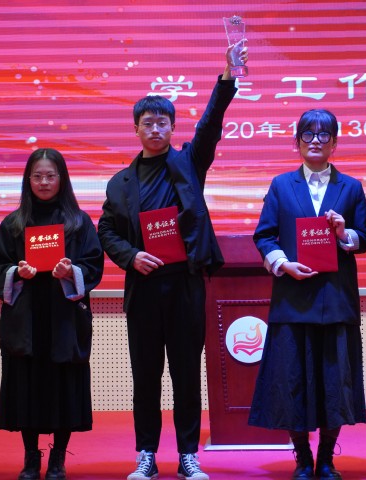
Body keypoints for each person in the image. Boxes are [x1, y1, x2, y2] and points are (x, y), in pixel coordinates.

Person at [97, 42, 248, 480]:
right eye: (147, 123)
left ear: (171, 127)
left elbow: (211, 124)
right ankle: (146, 454)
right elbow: (106, 231)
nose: (155, 128)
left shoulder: (188, 164)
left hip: (185, 285)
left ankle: (187, 455)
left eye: (162, 122)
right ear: (136, 129)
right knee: (145, 377)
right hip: (144, 287)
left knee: (185, 374)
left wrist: (227, 75)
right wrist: (131, 256)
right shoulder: (120, 183)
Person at [248, 109, 366, 480]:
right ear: (297, 141)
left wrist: (344, 233)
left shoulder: (350, 187)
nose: (315, 140)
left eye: (323, 135)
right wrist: (282, 263)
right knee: (292, 382)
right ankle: (303, 458)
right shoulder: (281, 185)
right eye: (308, 134)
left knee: (335, 384)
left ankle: (327, 460)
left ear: (334, 143)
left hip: (335, 300)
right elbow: (264, 235)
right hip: (293, 298)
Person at [0, 148, 104, 480]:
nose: (43, 182)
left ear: (62, 179)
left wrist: (71, 271)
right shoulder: (14, 223)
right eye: (37, 176)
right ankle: (30, 457)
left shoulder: (79, 223)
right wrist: (16, 272)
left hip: (64, 318)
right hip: (26, 318)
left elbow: (94, 264)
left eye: (50, 176)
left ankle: (57, 458)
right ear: (28, 180)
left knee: (63, 386)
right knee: (26, 386)